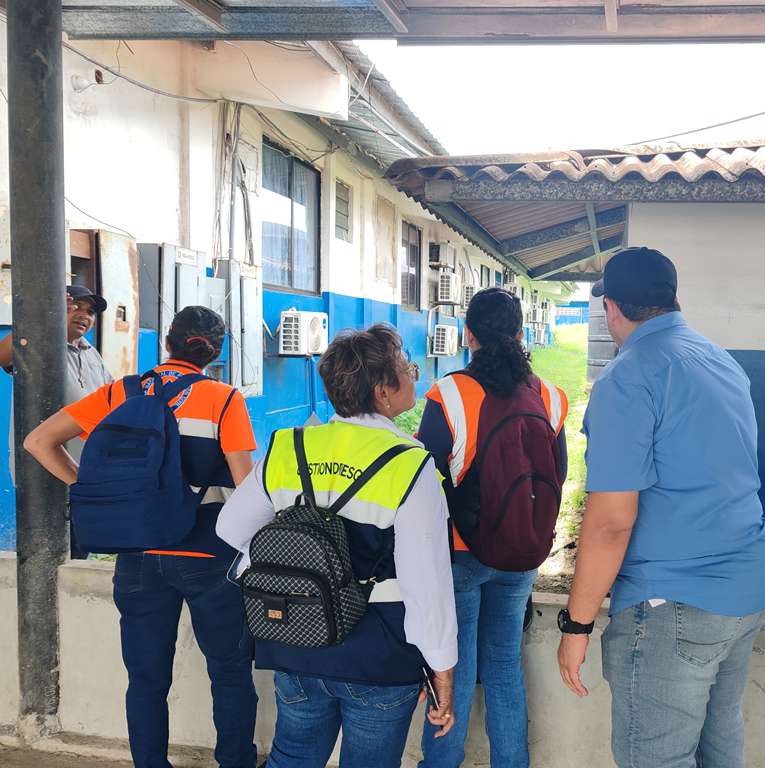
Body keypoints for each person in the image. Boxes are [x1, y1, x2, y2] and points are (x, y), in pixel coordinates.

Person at [558, 247, 765, 768]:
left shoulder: (628, 377)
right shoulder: (719, 360)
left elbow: (611, 523)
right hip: (748, 587)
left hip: (676, 603)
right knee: (719, 745)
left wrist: (576, 625)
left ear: (611, 308)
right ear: (674, 298)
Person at [25, 306, 259, 768]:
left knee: (146, 679)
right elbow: (245, 489)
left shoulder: (121, 392)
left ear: (168, 342)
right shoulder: (224, 399)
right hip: (208, 557)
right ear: (215, 352)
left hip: (137, 557)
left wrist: (96, 492)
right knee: (230, 674)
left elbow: (38, 442)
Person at [217, 323, 457, 768]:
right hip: (378, 652)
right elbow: (427, 584)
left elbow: (230, 528)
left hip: (296, 639)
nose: (414, 375)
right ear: (383, 391)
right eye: (407, 368)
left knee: (292, 758)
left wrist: (300, 563)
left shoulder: (289, 446)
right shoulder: (410, 464)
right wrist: (442, 666)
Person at [417, 287, 569, 768]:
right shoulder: (551, 396)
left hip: (462, 553)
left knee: (454, 667)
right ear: (522, 335)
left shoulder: (449, 393)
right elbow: (558, 475)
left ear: (468, 335)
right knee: (504, 664)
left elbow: (425, 482)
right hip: (522, 552)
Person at [1, 284, 114, 557]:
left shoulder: (91, 354)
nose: (84, 315)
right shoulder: (39, 344)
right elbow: (2, 354)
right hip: (44, 470)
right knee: (47, 555)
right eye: (75, 307)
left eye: (90, 311)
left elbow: (111, 399)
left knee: (77, 554)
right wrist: (43, 316)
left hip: (84, 472)